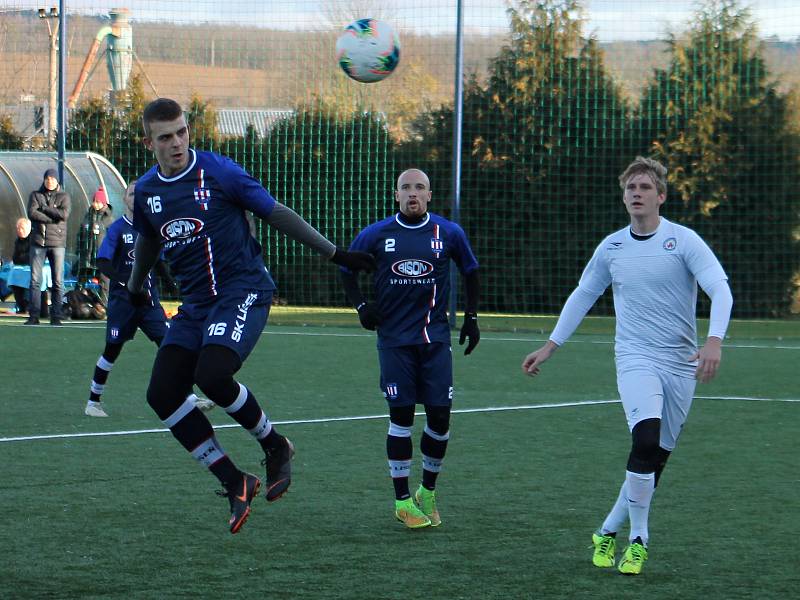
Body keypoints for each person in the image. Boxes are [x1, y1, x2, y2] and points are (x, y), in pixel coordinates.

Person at [126, 98, 376, 534]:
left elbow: (276, 214)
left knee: (213, 373)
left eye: (182, 132)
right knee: (162, 393)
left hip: (242, 290)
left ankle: (275, 446)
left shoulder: (221, 172)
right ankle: (235, 480)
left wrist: (337, 254)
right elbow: (148, 241)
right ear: (149, 143)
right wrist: (134, 286)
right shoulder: (147, 192)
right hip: (197, 305)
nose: (177, 143)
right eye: (165, 137)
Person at [521, 156, 733, 575]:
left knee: (655, 459)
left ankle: (606, 531)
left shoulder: (684, 240)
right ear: (624, 197)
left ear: (661, 196)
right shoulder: (612, 246)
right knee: (645, 440)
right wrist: (550, 346)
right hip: (635, 358)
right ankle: (639, 539)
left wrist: (713, 340)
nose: (636, 194)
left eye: (644, 188)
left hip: (680, 363)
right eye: (630, 189)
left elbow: (720, 289)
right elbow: (583, 294)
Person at [340, 168, 480, 529]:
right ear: (396, 195)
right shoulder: (376, 234)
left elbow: (471, 270)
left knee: (440, 418)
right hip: (394, 342)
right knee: (401, 418)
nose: (413, 193)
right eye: (406, 188)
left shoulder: (448, 232)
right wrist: (360, 307)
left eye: (420, 188)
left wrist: (472, 317)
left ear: (430, 195)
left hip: (435, 341)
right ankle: (402, 501)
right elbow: (346, 269)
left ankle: (427, 493)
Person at [84, 180, 214, 418]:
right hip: (123, 302)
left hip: (149, 302)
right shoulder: (116, 229)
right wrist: (122, 281)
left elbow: (160, 261)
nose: (136, 197)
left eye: (140, 194)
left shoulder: (151, 229)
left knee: (170, 345)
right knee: (112, 350)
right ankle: (93, 401)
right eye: (132, 194)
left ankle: (191, 397)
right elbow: (103, 262)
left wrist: (172, 283)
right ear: (125, 199)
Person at [27, 167, 71, 325]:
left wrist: (45, 209)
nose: (49, 181)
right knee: (34, 280)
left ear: (57, 180)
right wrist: (52, 217)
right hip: (38, 242)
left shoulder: (64, 196)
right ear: (44, 180)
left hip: (58, 244)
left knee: (58, 281)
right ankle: (33, 316)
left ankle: (56, 316)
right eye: (47, 178)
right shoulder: (35, 195)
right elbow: (32, 213)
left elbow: (64, 215)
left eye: (52, 179)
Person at [76, 186, 114, 301]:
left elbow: (113, 238)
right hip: (86, 255)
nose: (95, 204)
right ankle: (77, 302)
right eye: (94, 202)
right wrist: (79, 249)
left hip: (102, 256)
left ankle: (104, 304)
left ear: (103, 203)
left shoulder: (109, 219)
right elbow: (80, 234)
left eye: (98, 202)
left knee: (104, 280)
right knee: (81, 279)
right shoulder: (87, 216)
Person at [9, 218, 49, 317]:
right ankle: (21, 306)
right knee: (13, 277)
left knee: (37, 281)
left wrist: (22, 258)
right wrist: (22, 258)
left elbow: (33, 256)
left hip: (36, 267)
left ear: (28, 228)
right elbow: (15, 258)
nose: (19, 230)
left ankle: (40, 309)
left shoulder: (34, 239)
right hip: (22, 268)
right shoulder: (18, 240)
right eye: (17, 228)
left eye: (21, 228)